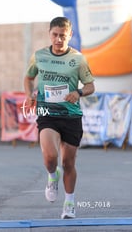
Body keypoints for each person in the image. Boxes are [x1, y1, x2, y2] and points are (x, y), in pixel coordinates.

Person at [23, 17, 95, 219]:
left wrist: (78, 93)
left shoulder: (78, 59)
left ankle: (69, 204)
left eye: (62, 36)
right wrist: (29, 95)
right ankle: (52, 176)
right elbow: (28, 78)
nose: (58, 39)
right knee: (50, 156)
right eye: (55, 35)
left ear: (69, 35)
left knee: (69, 163)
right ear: (49, 34)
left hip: (71, 116)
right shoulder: (39, 56)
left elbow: (90, 85)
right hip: (47, 113)